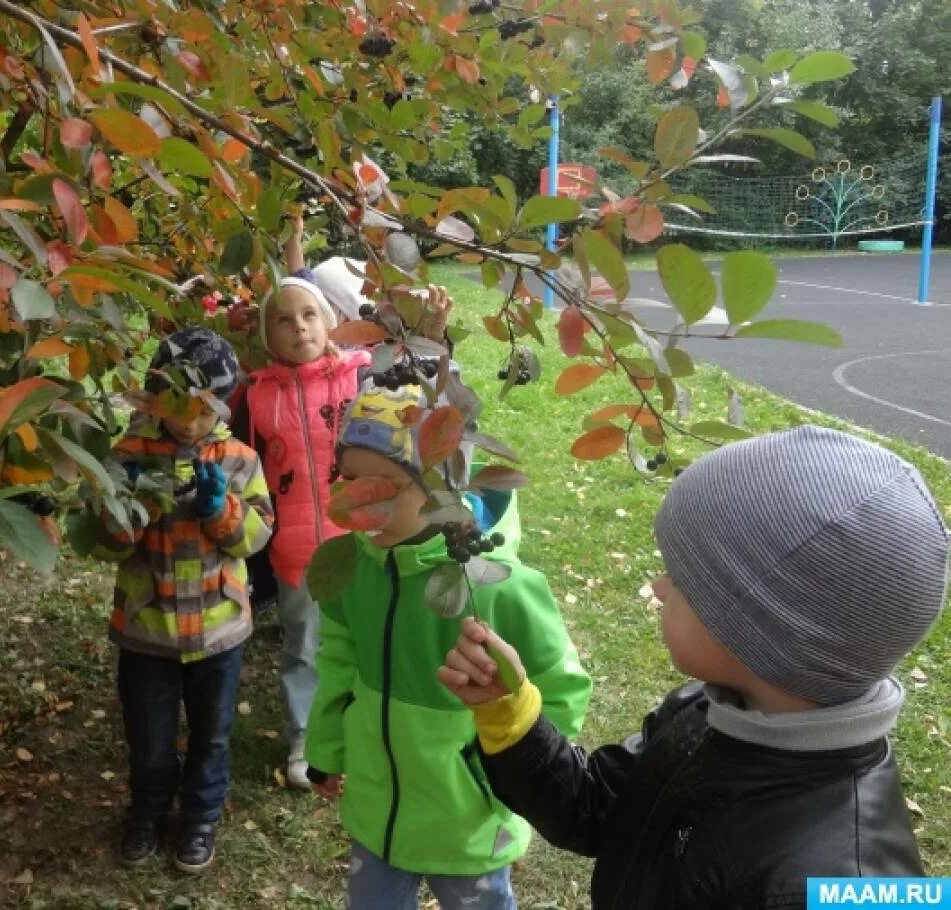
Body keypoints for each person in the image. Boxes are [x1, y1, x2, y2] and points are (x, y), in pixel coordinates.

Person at [439, 426, 950, 909]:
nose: (659, 587)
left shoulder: (838, 883)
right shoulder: (709, 710)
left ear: (758, 632)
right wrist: (511, 716)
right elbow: (596, 810)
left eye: (682, 579)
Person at [305, 384, 593, 910]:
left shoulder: (496, 587)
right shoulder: (349, 570)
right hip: (377, 808)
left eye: (385, 486)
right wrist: (326, 749)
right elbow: (339, 662)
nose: (358, 501)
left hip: (466, 819)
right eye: (349, 480)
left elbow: (560, 684)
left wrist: (516, 776)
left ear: (439, 490)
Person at [244, 216, 452, 789]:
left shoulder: (357, 375)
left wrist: (432, 338)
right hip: (294, 551)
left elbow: (414, 397)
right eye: (283, 321)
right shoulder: (258, 396)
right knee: (305, 647)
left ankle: (364, 732)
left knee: (364, 640)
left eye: (311, 315)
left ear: (333, 323)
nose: (299, 328)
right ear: (268, 335)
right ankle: (303, 742)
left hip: (358, 538)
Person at [92, 327, 274, 873]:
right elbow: (108, 543)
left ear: (222, 404)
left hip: (219, 632)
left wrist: (221, 511)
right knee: (149, 736)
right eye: (178, 405)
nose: (191, 422)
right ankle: (147, 813)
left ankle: (199, 817)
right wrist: (129, 511)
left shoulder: (240, 459)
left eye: (205, 409)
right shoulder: (127, 456)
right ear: (154, 395)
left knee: (212, 737)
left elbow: (258, 537)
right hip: (148, 629)